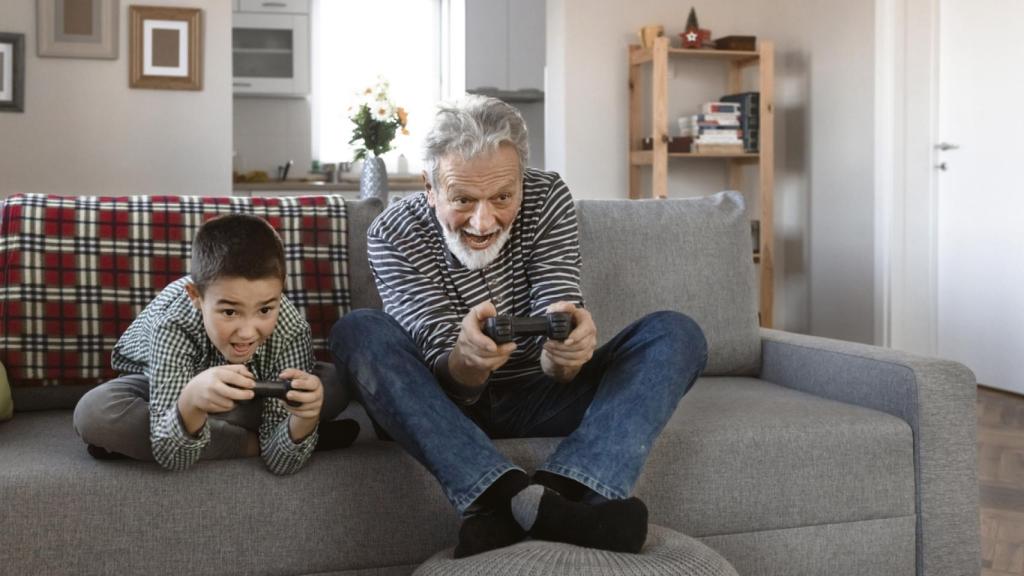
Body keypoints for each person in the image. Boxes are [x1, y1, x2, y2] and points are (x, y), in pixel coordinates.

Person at [330, 96, 707, 556]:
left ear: (522, 184)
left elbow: (559, 315)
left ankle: (566, 495)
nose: (483, 222)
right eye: (463, 199)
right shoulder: (393, 232)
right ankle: (500, 496)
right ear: (429, 186)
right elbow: (442, 362)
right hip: (441, 405)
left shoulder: (547, 197)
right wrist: (467, 362)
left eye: (502, 198)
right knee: (356, 331)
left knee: (676, 333)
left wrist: (566, 355)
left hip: (541, 393)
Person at [74, 214, 358, 474]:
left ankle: (160, 441)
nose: (247, 333)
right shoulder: (173, 321)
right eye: (230, 312)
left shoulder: (290, 328)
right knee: (95, 412)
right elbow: (172, 457)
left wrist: (304, 419)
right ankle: (251, 444)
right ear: (196, 296)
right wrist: (191, 402)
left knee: (333, 384)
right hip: (163, 388)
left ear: (281, 286)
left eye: (265, 310)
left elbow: (281, 464)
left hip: (253, 394)